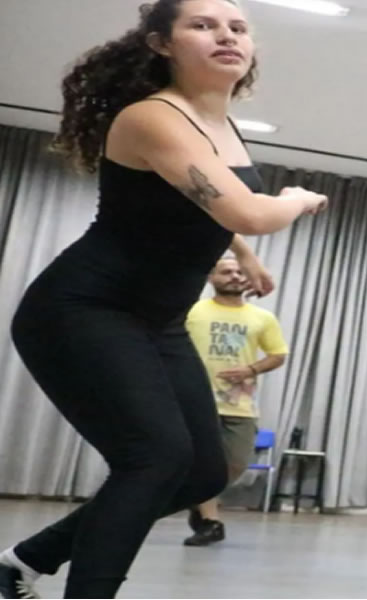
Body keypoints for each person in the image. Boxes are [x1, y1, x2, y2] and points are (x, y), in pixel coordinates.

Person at [0, 0, 325, 597]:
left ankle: (21, 562)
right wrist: (297, 198)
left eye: (237, 27)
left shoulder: (220, 125)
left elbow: (198, 202)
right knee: (154, 458)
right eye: (202, 25)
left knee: (201, 471)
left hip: (158, 321)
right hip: (85, 308)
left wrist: (246, 257)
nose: (226, 35)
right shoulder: (154, 116)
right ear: (160, 44)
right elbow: (250, 212)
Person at [182, 256, 289, 546]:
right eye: (226, 271)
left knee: (236, 463)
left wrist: (251, 369)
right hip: (194, 400)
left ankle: (194, 501)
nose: (234, 276)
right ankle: (210, 521)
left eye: (240, 271)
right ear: (211, 278)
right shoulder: (193, 311)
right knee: (203, 465)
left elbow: (278, 354)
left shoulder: (262, 318)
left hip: (239, 403)